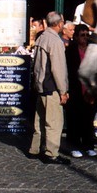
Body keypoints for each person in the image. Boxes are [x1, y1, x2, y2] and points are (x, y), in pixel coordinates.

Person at [27, 12, 69, 161]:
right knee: (54, 122)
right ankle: (51, 153)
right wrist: (63, 91)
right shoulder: (55, 41)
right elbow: (58, 68)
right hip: (51, 87)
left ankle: (34, 149)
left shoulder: (42, 37)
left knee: (39, 121)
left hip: (40, 85)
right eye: (63, 22)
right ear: (59, 24)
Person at [65, 24, 97, 157]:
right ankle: (74, 145)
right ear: (76, 37)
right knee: (75, 119)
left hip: (89, 89)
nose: (85, 38)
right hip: (75, 89)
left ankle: (88, 145)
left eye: (87, 35)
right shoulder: (70, 51)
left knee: (88, 118)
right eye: (82, 35)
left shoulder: (92, 50)